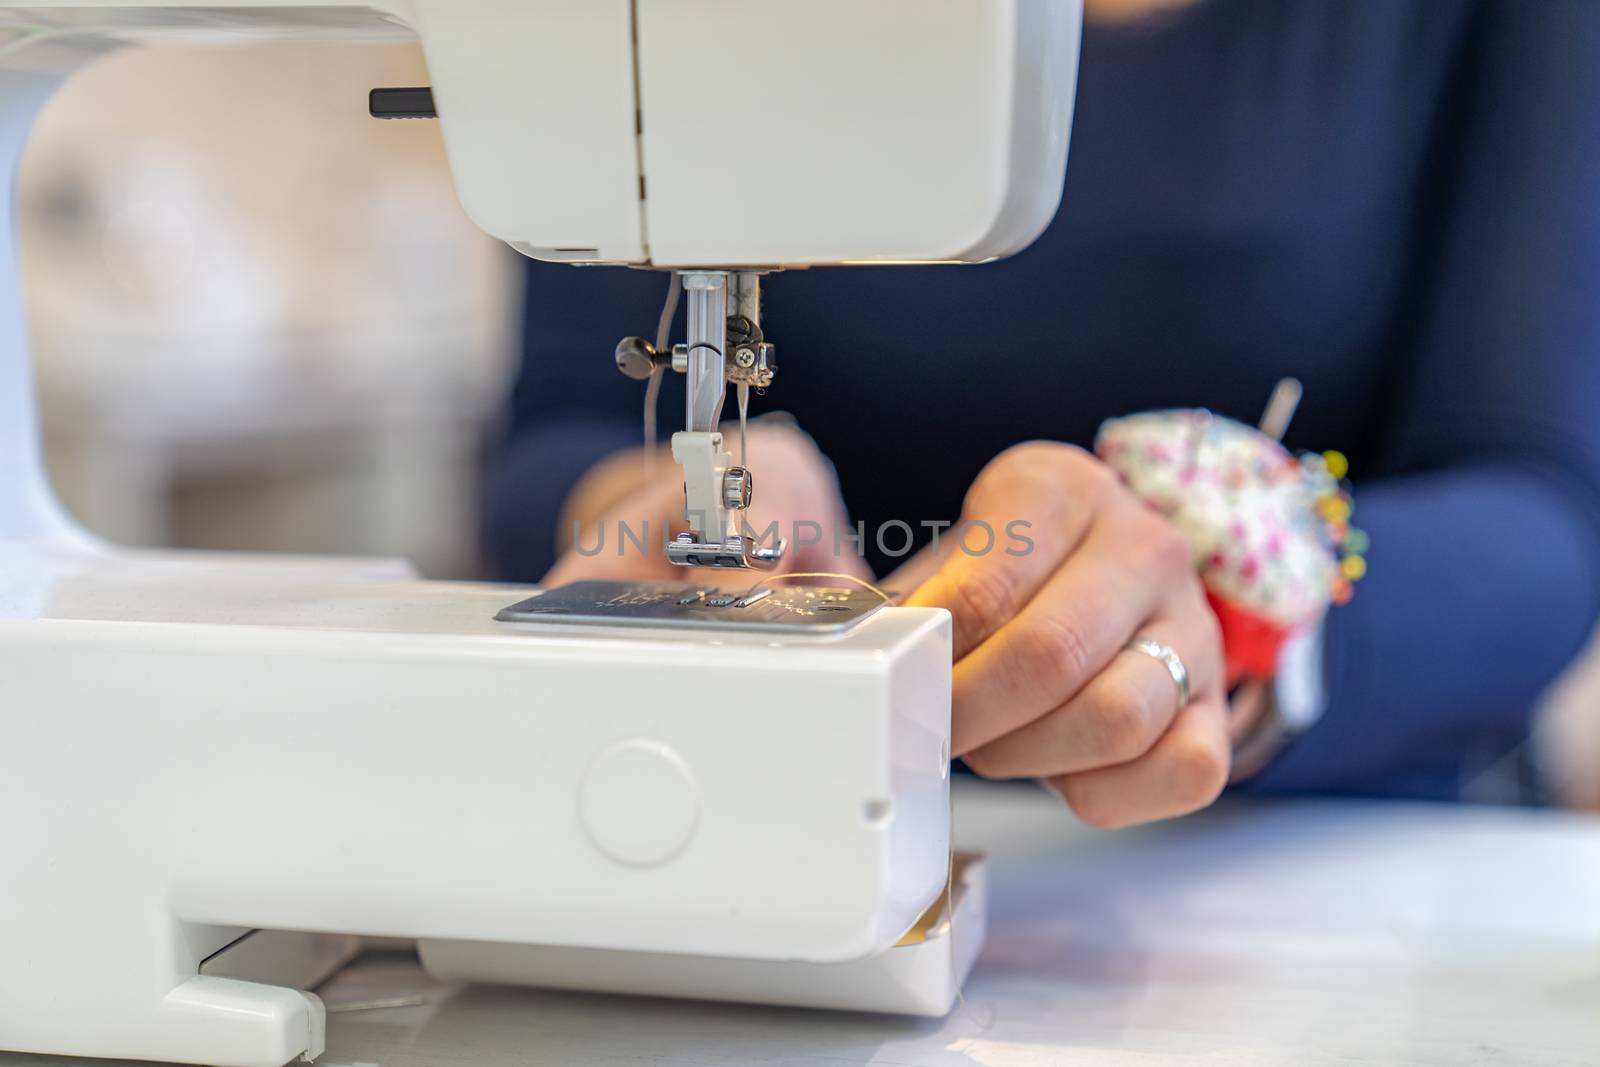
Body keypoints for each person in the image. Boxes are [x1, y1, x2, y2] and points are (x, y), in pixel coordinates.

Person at [489, 0, 1600, 825]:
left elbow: (1541, 506)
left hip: (1333, 869)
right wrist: (642, 502)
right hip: (768, 821)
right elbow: (557, 420)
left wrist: (1226, 618)